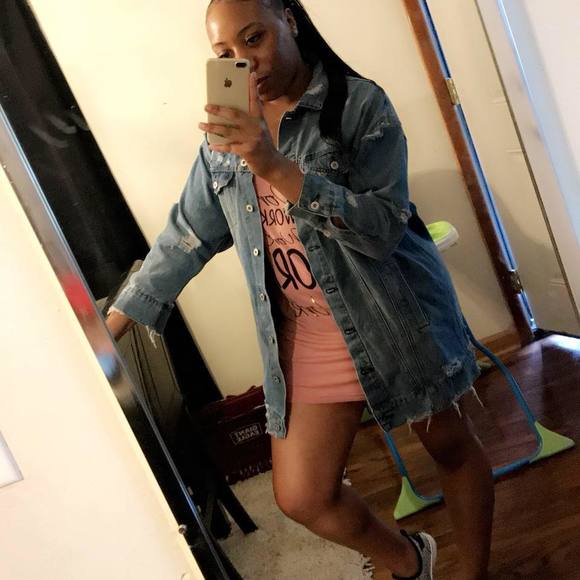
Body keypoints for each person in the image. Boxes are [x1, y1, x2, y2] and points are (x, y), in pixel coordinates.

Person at [106, 1, 495, 578]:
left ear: (288, 19)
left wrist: (273, 164)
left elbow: (382, 230)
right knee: (302, 495)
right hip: (307, 329)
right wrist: (114, 323)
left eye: (254, 38)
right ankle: (410, 560)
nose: (244, 62)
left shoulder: (358, 105)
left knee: (451, 447)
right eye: (224, 54)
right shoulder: (227, 131)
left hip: (393, 313)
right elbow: (189, 231)